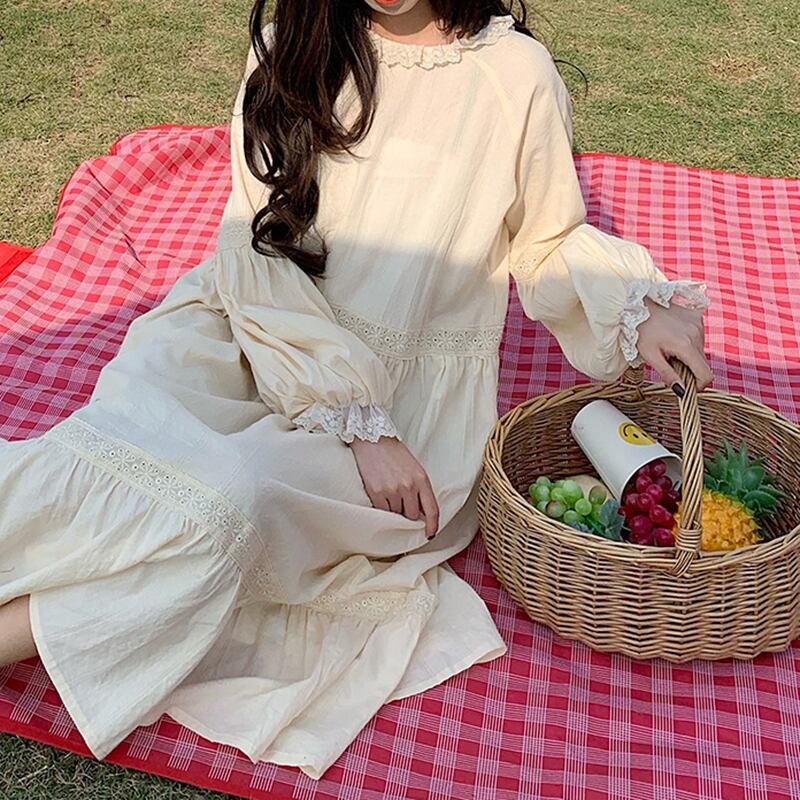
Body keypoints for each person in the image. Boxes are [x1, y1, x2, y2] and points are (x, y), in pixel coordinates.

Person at [0, 0, 712, 780]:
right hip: (252, 327)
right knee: (105, 457)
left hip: (402, 397)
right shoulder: (294, 45)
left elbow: (547, 238)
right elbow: (254, 238)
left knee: (233, 503)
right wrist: (351, 416)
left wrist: (635, 306)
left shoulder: (515, 74)